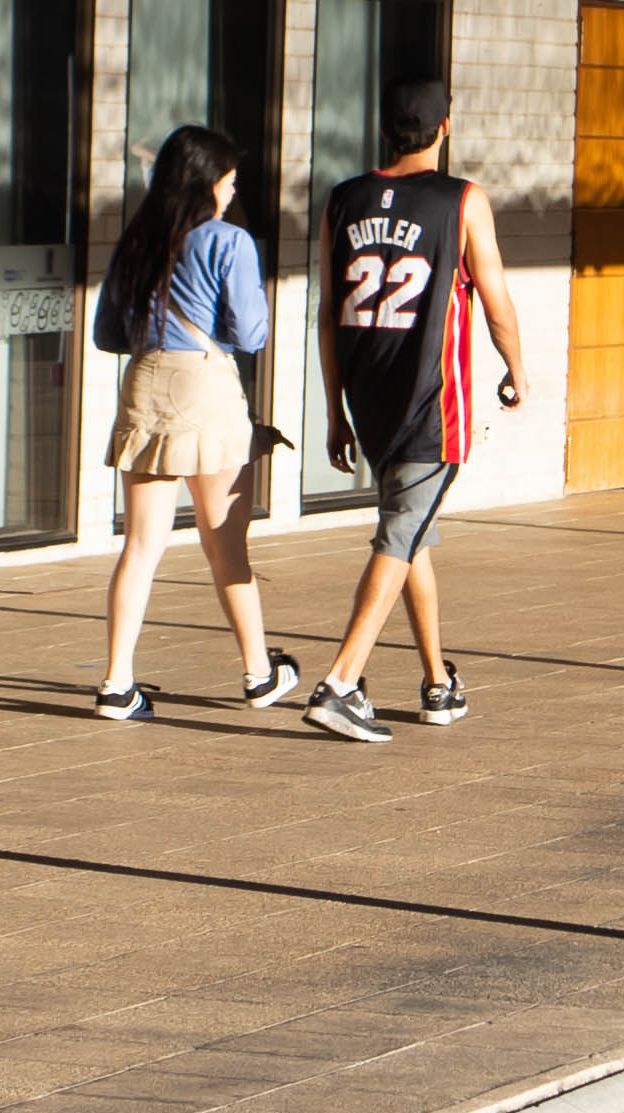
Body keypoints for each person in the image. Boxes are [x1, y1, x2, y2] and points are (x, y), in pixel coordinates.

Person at [304, 77, 525, 745]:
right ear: (445, 128)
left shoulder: (342, 200)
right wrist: (517, 369)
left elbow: (326, 314)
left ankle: (436, 683)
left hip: (368, 395)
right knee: (400, 535)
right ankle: (341, 683)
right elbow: (494, 301)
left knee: (412, 535)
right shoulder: (462, 200)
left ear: (383, 132)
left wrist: (335, 410)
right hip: (431, 401)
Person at [86, 123, 306, 719]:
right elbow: (251, 334)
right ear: (207, 183)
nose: (232, 193)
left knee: (140, 546)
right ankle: (259, 674)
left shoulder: (136, 240)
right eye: (229, 183)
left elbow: (108, 333)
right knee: (225, 545)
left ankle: (115, 684)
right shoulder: (228, 242)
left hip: (144, 385)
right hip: (204, 388)